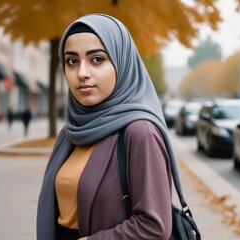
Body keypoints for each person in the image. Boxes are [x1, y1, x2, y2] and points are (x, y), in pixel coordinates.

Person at [37, 14, 175, 239]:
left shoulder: (140, 133)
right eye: (72, 61)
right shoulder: (70, 132)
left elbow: (154, 226)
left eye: (97, 59)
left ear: (121, 62)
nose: (82, 72)